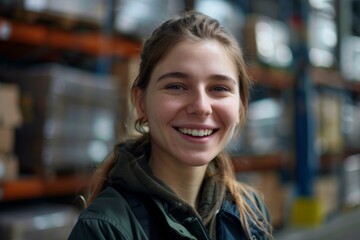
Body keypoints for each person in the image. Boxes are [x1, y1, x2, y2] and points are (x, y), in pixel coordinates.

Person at [68, 11, 273, 240]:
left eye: (219, 88)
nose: (201, 107)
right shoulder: (105, 230)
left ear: (241, 107)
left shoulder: (250, 212)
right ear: (140, 102)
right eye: (176, 86)